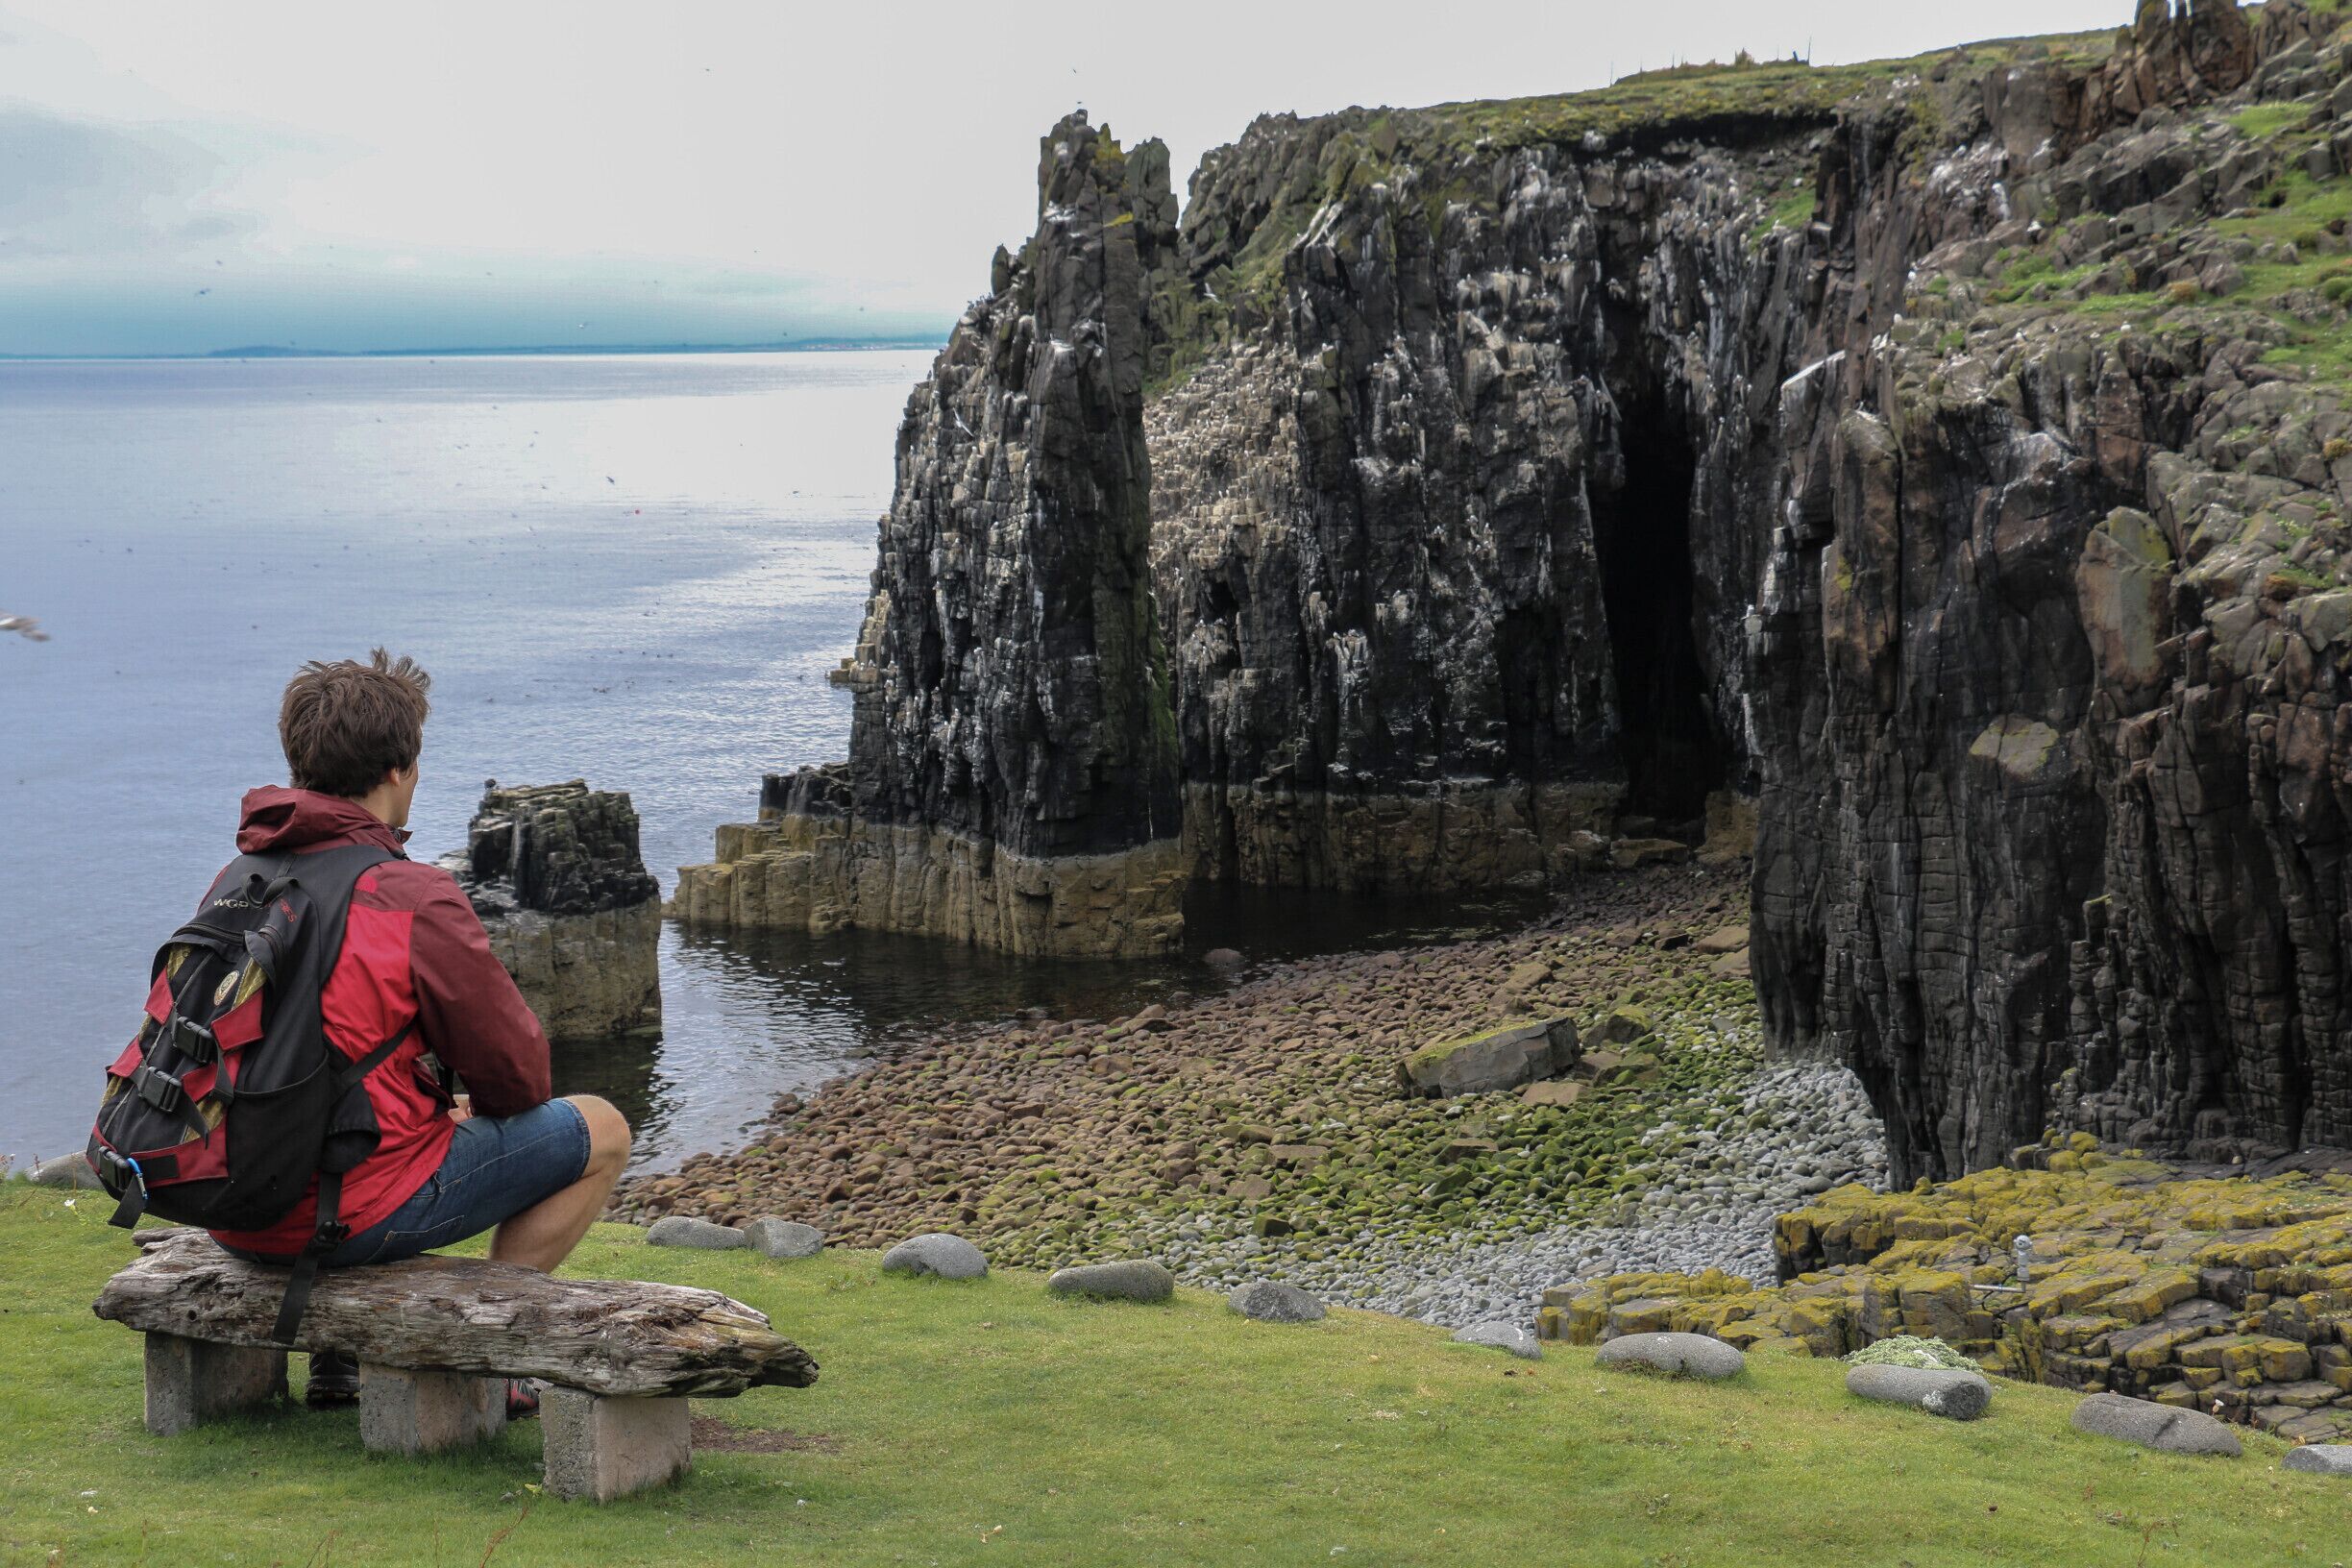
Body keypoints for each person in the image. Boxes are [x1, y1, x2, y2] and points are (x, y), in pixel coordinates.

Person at [208, 650, 631, 1415]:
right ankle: (495, 1357)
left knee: (366, 1126)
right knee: (602, 1129)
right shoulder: (411, 895)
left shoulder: (237, 881)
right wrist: (458, 1110)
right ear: (401, 770)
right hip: (344, 1210)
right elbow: (519, 1078)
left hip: (230, 1203)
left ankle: (339, 1363)